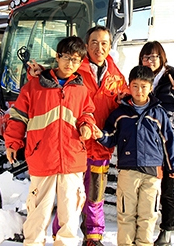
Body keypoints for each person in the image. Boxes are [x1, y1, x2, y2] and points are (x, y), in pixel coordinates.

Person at [29, 26, 128, 246]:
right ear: (86, 45)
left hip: (100, 146)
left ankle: (93, 237)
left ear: (110, 46)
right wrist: (35, 72)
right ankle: (59, 236)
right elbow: (52, 80)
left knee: (95, 195)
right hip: (72, 147)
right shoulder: (75, 67)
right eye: (93, 42)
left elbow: (127, 100)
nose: (99, 48)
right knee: (67, 199)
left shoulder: (117, 77)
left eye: (104, 43)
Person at [3, 36, 96, 246]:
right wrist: (12, 142)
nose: (70, 63)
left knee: (70, 214)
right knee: (38, 211)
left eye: (76, 60)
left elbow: (88, 113)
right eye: (66, 57)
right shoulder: (34, 87)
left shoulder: (81, 90)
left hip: (72, 160)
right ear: (57, 56)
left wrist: (86, 126)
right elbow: (18, 117)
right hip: (42, 158)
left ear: (81, 62)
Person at [93, 65, 174, 246]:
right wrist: (101, 135)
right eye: (134, 86)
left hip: (152, 173)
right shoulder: (120, 114)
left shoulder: (158, 113)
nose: (139, 91)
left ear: (150, 87)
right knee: (126, 214)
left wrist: (173, 167)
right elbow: (111, 137)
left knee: (148, 215)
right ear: (129, 86)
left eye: (143, 86)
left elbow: (168, 141)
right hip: (128, 171)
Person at [139, 41, 174, 246]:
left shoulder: (172, 77)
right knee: (148, 189)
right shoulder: (141, 78)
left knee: (167, 189)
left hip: (169, 140)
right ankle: (144, 229)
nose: (150, 60)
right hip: (149, 141)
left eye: (154, 56)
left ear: (162, 58)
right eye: (146, 57)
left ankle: (166, 232)